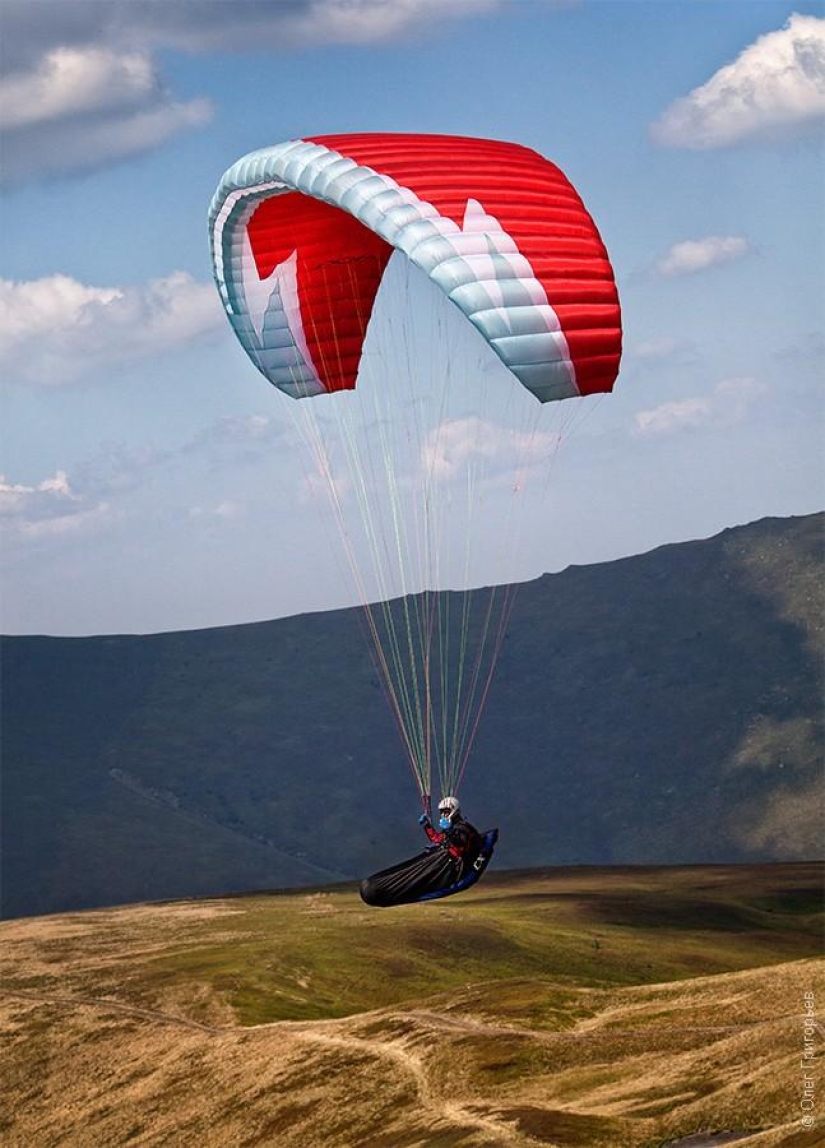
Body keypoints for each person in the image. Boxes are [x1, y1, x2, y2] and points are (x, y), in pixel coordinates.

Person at [360, 794, 487, 907]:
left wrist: (449, 831)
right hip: (441, 858)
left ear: (454, 810)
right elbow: (438, 839)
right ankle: (377, 888)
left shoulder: (464, 828)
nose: (444, 815)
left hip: (449, 866)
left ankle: (382, 891)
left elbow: (462, 845)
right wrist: (427, 826)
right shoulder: (452, 828)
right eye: (442, 812)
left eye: (446, 811)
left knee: (418, 879)